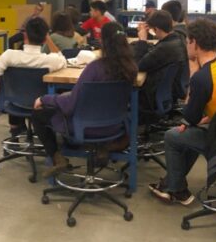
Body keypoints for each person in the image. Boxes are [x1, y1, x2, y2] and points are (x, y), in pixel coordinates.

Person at [148, 19, 216, 205]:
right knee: (189, 133)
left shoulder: (203, 76)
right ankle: (171, 185)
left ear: (194, 43)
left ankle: (176, 189)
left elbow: (190, 116)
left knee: (173, 136)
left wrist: (194, 70)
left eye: (187, 41)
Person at [31, 22, 137, 176]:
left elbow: (69, 105)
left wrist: (45, 98)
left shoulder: (95, 68)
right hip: (114, 127)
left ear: (103, 42)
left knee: (39, 114)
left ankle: (57, 158)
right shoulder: (131, 68)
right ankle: (102, 147)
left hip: (85, 127)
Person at [0, 17, 68, 134]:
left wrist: (1, 80)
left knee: (15, 86)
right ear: (44, 39)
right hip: (41, 105)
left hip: (15, 103)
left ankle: (15, 129)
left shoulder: (9, 56)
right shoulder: (51, 61)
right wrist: (48, 39)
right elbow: (62, 59)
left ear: (24, 36)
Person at [133, 10, 188, 114]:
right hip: (167, 93)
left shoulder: (164, 48)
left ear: (157, 29)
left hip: (150, 96)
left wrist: (142, 40)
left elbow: (138, 65)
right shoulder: (177, 41)